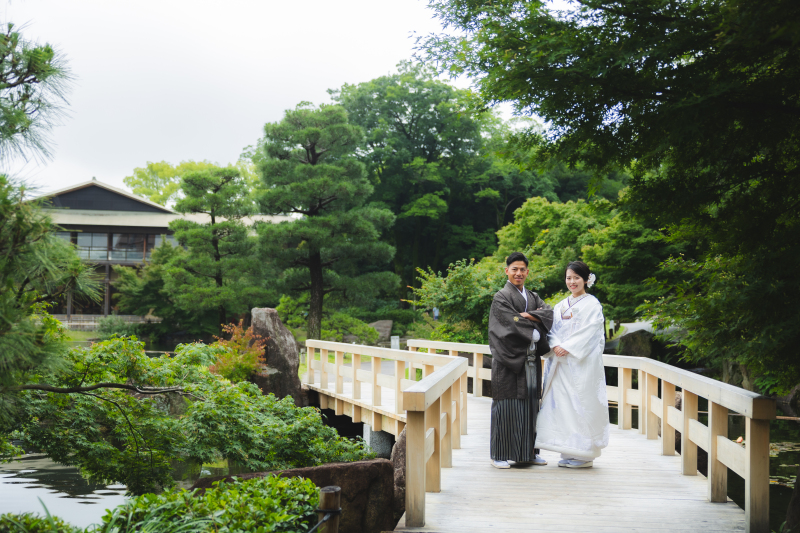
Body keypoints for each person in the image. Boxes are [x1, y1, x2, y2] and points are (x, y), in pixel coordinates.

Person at [536, 261, 610, 468]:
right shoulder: (560, 305)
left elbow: (592, 331)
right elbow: (551, 331)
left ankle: (585, 454)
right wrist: (556, 344)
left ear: (586, 279)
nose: (572, 282)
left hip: (580, 363)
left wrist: (568, 346)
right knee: (561, 406)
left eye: (576, 277)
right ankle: (568, 450)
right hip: (560, 364)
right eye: (569, 278)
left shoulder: (592, 304)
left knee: (580, 404)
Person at [488, 252, 553, 469]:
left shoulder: (532, 296)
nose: (519, 273)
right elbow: (507, 324)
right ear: (506, 271)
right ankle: (499, 454)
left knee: (531, 406)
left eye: (522, 269)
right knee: (506, 406)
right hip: (508, 361)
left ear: (527, 271)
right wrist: (533, 328)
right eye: (514, 269)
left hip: (531, 362)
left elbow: (549, 313)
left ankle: (529, 453)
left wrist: (528, 316)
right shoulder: (501, 297)